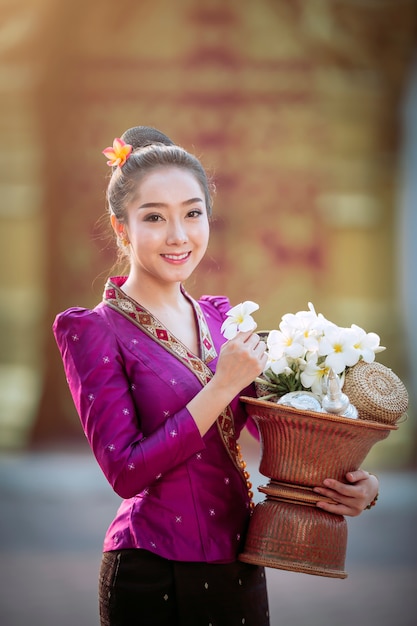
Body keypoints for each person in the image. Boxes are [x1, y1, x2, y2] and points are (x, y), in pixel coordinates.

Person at [53, 126, 379, 626]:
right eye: (154, 217)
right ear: (122, 228)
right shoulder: (95, 332)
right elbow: (125, 472)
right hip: (152, 573)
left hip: (238, 567)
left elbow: (280, 434)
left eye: (192, 213)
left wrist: (353, 486)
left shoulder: (218, 320)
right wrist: (222, 385)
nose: (178, 235)